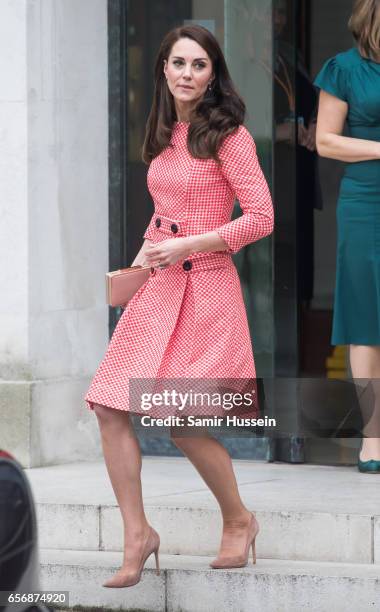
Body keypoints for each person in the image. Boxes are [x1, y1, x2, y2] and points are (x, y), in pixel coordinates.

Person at [84, 24, 273, 587]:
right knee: (110, 406)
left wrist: (188, 243)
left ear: (213, 74)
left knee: (184, 419)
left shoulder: (230, 137)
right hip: (159, 287)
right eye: (178, 63)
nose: (187, 74)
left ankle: (239, 519)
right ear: (163, 69)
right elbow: (166, 210)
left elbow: (261, 218)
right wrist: (139, 266)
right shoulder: (165, 134)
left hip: (208, 287)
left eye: (199, 65)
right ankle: (137, 534)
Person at [314, 0, 380, 472]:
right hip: (366, 203)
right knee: (365, 319)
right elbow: (326, 141)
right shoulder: (343, 69)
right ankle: (373, 438)